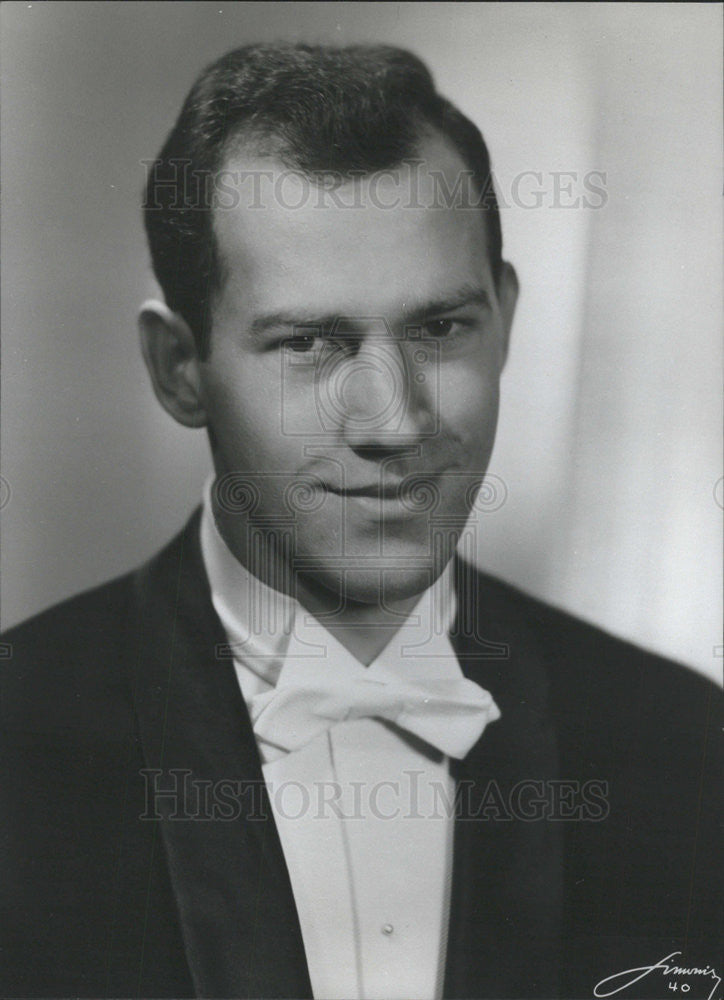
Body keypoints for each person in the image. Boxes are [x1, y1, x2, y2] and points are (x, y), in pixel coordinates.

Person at [1, 43, 720, 1000]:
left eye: (439, 330)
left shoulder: (685, 751)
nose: (394, 422)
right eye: (310, 342)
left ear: (504, 319)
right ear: (179, 367)